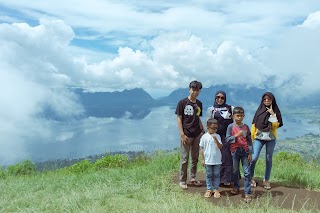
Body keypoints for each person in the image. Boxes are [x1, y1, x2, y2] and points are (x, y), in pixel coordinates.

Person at [250, 92, 283, 190]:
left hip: (271, 139)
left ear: (272, 100)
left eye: (269, 99)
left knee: (268, 159)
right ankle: (251, 178)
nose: (267, 101)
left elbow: (276, 125)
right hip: (258, 138)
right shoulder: (259, 110)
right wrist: (252, 138)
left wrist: (273, 115)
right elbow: (254, 124)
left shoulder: (275, 111)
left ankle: (266, 180)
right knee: (254, 158)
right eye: (265, 99)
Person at [175, 80, 205, 189]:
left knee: (195, 157)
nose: (195, 92)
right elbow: (179, 119)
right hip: (186, 134)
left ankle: (192, 178)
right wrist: (182, 134)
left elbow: (198, 118)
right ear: (189, 89)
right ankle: (182, 180)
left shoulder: (199, 104)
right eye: (193, 90)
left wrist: (203, 131)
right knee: (184, 158)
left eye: (197, 90)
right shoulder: (182, 103)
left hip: (197, 134)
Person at [225, 107, 253, 203]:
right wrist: (236, 136)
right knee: (235, 171)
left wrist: (250, 152)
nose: (239, 118)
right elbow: (227, 139)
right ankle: (236, 186)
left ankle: (247, 192)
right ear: (233, 116)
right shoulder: (230, 127)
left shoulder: (246, 127)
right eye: (238, 116)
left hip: (244, 151)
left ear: (244, 116)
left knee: (247, 172)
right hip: (235, 151)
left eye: (241, 116)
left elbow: (249, 140)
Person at [206, 90, 234, 185]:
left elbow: (235, 123)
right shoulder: (211, 109)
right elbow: (208, 123)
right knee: (215, 157)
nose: (220, 99)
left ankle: (226, 179)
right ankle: (215, 179)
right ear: (215, 98)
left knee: (227, 157)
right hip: (215, 136)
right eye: (218, 97)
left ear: (225, 98)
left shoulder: (230, 108)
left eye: (222, 97)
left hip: (227, 137)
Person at [200, 118, 223, 198]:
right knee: (209, 175)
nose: (214, 130)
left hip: (217, 160)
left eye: (216, 128)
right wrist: (202, 159)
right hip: (208, 160)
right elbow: (202, 149)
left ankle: (216, 189)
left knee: (216, 175)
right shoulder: (204, 137)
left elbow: (220, 147)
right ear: (208, 127)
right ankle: (209, 189)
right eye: (213, 128)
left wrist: (216, 140)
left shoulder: (218, 136)